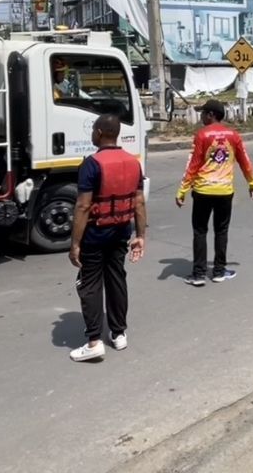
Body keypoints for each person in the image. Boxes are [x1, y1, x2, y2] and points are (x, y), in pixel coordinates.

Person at [67, 114, 148, 362]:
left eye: (93, 130)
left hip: (95, 235)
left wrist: (75, 244)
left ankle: (93, 342)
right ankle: (118, 333)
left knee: (90, 284)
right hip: (121, 232)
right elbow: (139, 202)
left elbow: (82, 206)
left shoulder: (92, 164)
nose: (92, 133)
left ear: (100, 133)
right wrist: (141, 235)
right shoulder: (133, 162)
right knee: (116, 280)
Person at [175, 99, 253, 286]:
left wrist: (182, 190)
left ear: (211, 115)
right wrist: (252, 183)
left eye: (203, 113)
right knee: (221, 231)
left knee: (200, 231)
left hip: (203, 190)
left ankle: (198, 275)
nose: (201, 116)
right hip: (224, 191)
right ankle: (219, 271)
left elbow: (193, 165)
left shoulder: (202, 135)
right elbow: (244, 161)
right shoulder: (234, 135)